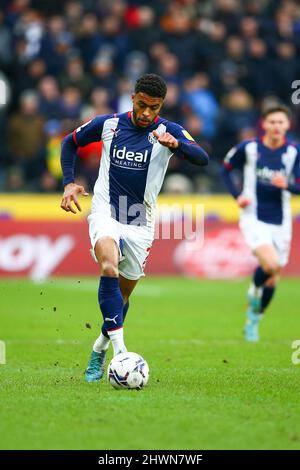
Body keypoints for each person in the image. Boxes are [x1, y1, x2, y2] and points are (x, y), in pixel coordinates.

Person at [60, 74, 209, 381]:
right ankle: (121, 354)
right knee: (109, 267)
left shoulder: (170, 131)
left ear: (161, 105)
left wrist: (178, 145)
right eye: (141, 105)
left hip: (141, 221)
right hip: (106, 212)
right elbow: (69, 143)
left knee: (122, 298)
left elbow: (202, 157)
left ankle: (99, 346)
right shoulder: (109, 124)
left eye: (153, 108)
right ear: (133, 97)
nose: (146, 113)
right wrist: (69, 183)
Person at [222, 104, 300, 342]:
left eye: (281, 122)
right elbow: (225, 170)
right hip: (254, 216)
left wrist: (286, 185)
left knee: (274, 274)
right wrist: (238, 196)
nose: (276, 126)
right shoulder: (250, 148)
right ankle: (254, 294)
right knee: (272, 264)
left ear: (288, 125)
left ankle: (254, 319)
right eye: (272, 122)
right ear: (264, 124)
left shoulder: (294, 152)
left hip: (281, 219)